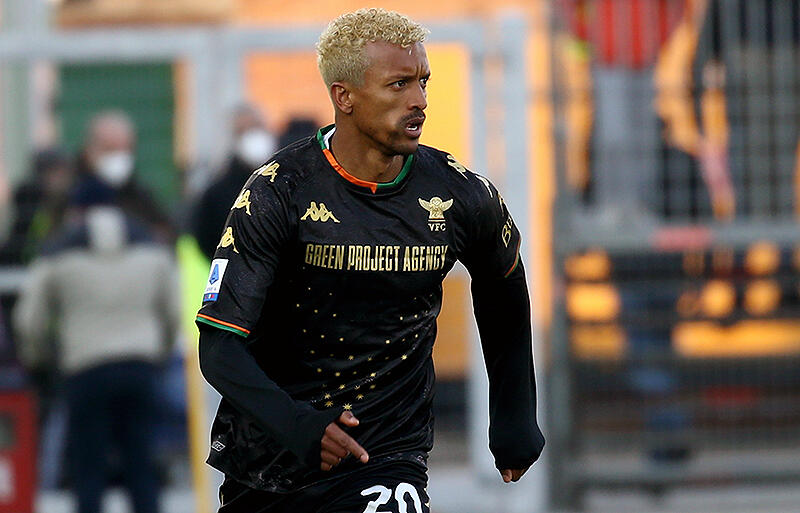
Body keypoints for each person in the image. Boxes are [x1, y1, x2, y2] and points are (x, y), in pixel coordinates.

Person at [196, 8, 544, 512]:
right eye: (398, 85)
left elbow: (503, 286)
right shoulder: (278, 192)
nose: (419, 101)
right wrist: (300, 426)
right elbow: (219, 347)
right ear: (345, 97)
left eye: (423, 81)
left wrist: (514, 412)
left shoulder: (460, 193)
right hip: (270, 459)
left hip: (387, 456)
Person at [13, 181, 180, 513]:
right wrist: (158, 353)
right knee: (141, 465)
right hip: (139, 366)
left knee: (88, 469)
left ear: (76, 211)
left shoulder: (58, 252)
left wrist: (43, 357)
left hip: (84, 368)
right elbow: (173, 313)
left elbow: (28, 319)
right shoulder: (150, 245)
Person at [72, 110, 175, 243]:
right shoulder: (71, 194)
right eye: (110, 149)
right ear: (89, 149)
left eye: (125, 149)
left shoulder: (141, 196)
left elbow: (164, 234)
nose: (118, 156)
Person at [191, 103, 277, 260]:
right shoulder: (217, 195)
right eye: (243, 132)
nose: (253, 137)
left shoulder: (292, 179)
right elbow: (207, 239)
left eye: (256, 128)